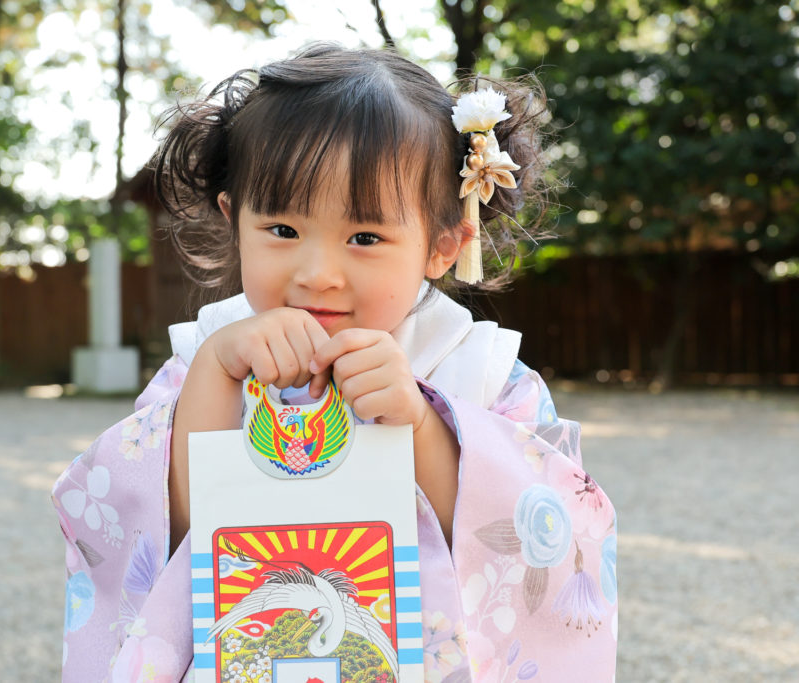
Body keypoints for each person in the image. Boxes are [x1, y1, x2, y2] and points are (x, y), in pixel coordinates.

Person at [53, 43, 617, 682]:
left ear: (442, 245)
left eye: (366, 238)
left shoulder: (480, 370)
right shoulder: (206, 356)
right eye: (283, 231)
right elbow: (160, 525)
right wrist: (217, 372)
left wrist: (423, 424)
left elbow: (533, 539)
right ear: (234, 219)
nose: (318, 274)